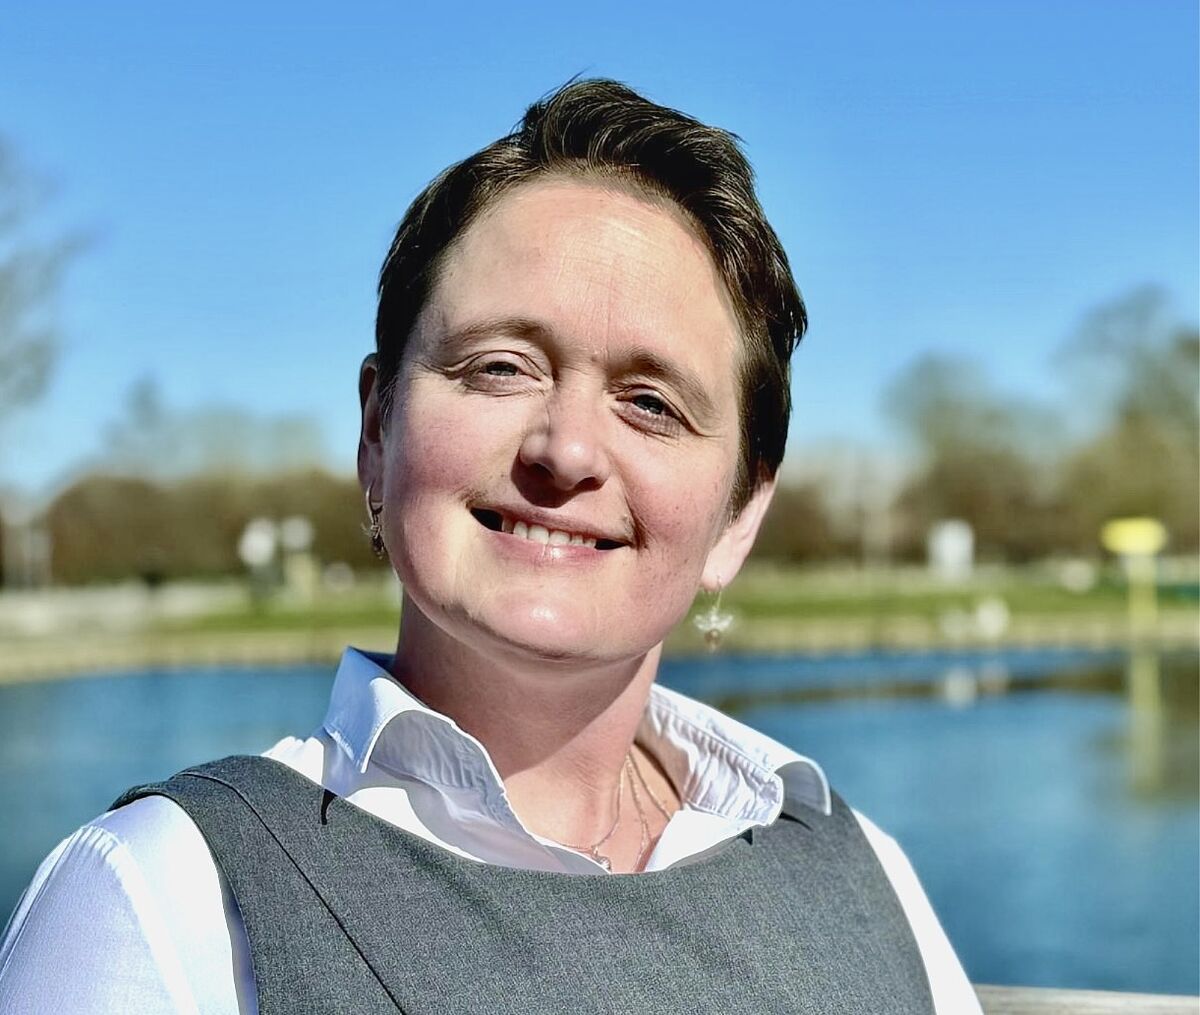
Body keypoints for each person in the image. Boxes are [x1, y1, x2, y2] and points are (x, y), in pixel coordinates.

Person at [0, 79, 982, 1014]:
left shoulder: (862, 876)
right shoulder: (165, 899)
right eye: (501, 366)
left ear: (740, 514)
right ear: (377, 429)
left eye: (651, 401)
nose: (567, 449)